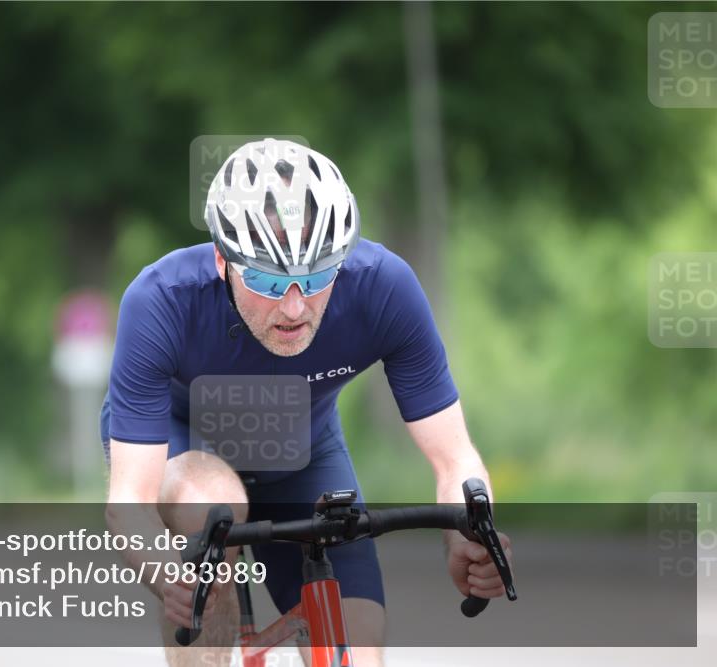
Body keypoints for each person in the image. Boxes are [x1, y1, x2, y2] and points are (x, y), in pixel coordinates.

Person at [102, 138, 511, 667]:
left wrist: (468, 532)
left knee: (358, 650)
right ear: (224, 259)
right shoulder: (161, 301)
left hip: (302, 452)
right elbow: (127, 501)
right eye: (271, 281)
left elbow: (455, 458)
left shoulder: (383, 288)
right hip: (184, 444)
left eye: (317, 277)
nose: (295, 306)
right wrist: (169, 573)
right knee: (213, 508)